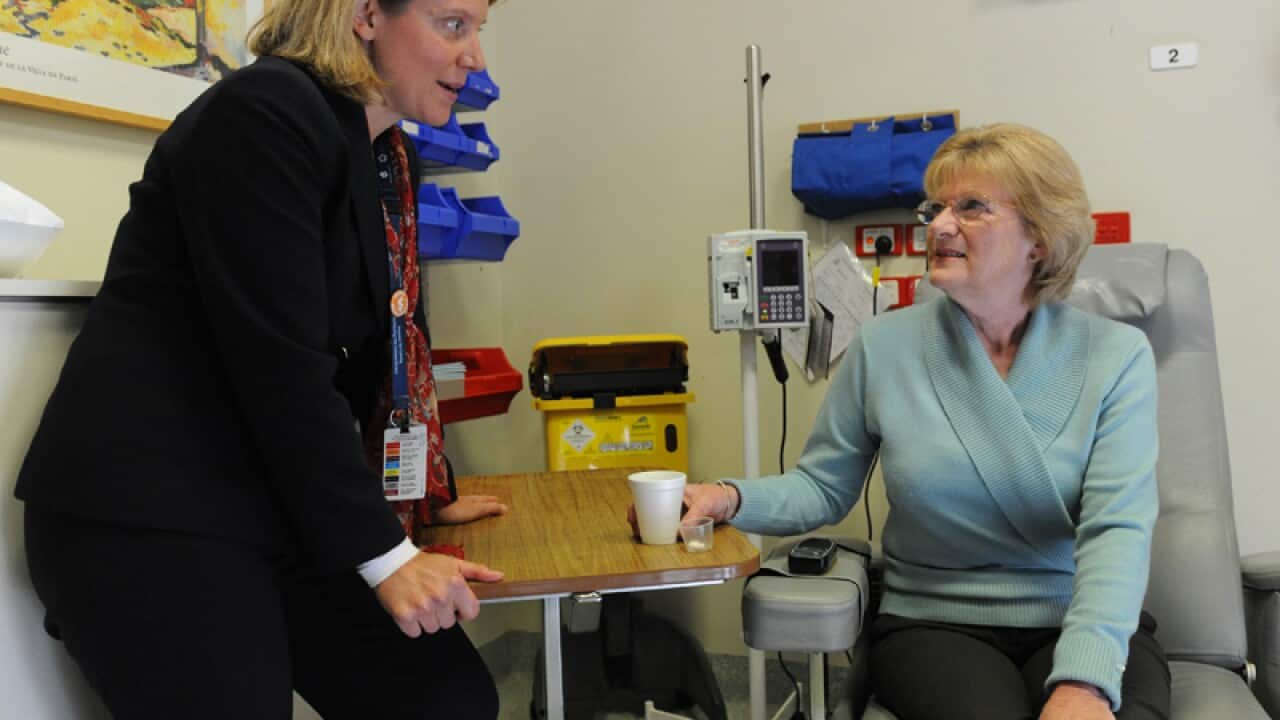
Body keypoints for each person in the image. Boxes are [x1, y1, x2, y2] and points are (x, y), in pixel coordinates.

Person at [16, 1, 508, 718]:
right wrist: (386, 556)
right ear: (366, 15)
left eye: (478, 30)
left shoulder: (372, 149)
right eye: (453, 24)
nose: (476, 59)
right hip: (154, 514)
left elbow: (382, 348)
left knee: (445, 699)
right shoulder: (263, 116)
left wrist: (425, 488)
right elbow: (281, 366)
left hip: (271, 500)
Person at [673, 124, 1171, 719]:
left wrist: (1085, 683)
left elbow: (1117, 528)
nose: (938, 225)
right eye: (934, 208)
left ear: (1040, 237)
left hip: (1079, 614)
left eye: (971, 208)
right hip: (936, 622)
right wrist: (727, 497)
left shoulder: (1117, 357)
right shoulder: (885, 346)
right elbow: (822, 487)